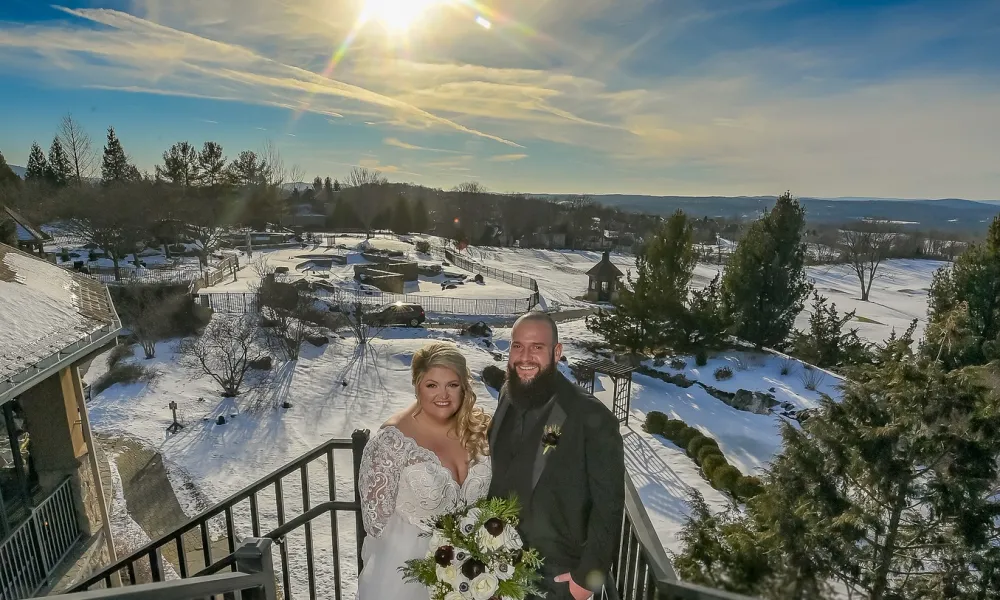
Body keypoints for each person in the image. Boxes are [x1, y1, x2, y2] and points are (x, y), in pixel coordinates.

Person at [488, 311, 625, 600]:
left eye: (537, 347)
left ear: (557, 352)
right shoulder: (507, 394)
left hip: (554, 580)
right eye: (517, 346)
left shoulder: (589, 415)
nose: (525, 357)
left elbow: (609, 506)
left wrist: (585, 579)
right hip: (497, 567)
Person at [355, 341, 492, 600]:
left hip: (478, 572)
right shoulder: (391, 442)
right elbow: (375, 525)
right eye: (432, 385)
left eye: (452, 385)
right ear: (417, 385)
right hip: (408, 576)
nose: (443, 395)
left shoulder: (482, 428)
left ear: (464, 386)